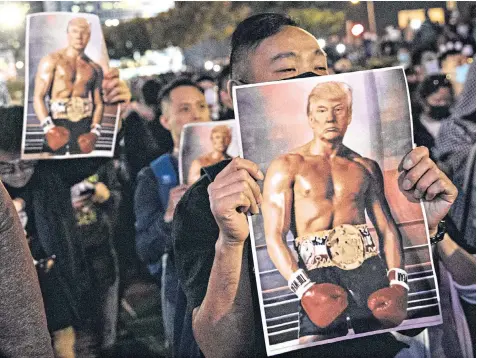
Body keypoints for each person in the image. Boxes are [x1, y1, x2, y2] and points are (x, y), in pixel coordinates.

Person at [173, 13, 458, 358]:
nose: (308, 77)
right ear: (236, 94)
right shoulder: (209, 198)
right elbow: (220, 349)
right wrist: (233, 243)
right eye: (288, 70)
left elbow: (425, 299)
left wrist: (425, 236)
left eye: (320, 68)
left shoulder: (372, 166)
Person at [262, 81, 406, 343]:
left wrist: (398, 283)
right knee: (315, 347)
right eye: (321, 110)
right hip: (316, 273)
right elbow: (274, 235)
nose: (330, 117)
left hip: (368, 269)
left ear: (349, 116)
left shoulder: (364, 166)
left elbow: (387, 229)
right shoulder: (287, 166)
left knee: (379, 347)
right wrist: (303, 288)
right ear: (310, 117)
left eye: (338, 109)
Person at [134, 78, 210, 354]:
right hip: (182, 292)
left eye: (202, 106)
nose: (197, 115)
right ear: (166, 121)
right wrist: (169, 216)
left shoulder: (235, 162)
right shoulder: (153, 174)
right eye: (185, 109)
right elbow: (144, 249)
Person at [33, 17, 104, 155]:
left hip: (83, 123)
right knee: (55, 168)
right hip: (57, 122)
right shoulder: (52, 60)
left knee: (82, 168)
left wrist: (95, 132)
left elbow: (99, 103)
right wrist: (48, 127)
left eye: (83, 32)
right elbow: (38, 97)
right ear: (68, 34)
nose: (79, 36)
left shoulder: (94, 68)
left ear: (89, 36)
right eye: (74, 31)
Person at [414, 74, 454, 155]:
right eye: (437, 100)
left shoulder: (456, 124)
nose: (443, 104)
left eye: (446, 100)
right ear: (423, 100)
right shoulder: (415, 127)